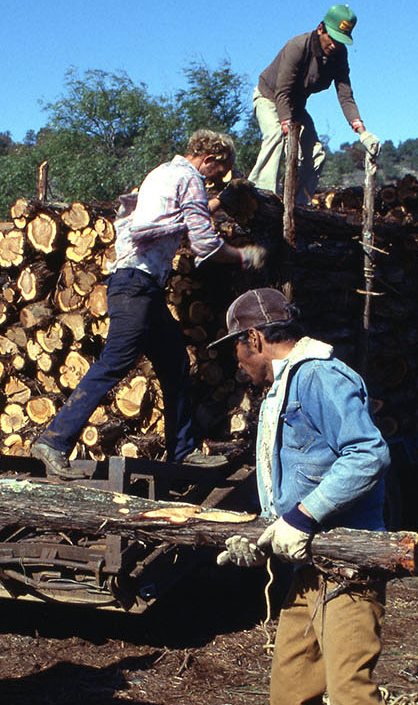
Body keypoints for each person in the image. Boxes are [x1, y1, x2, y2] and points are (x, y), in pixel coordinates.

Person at [212, 288, 418, 705]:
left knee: (347, 688)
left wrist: (304, 516)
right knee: (291, 680)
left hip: (345, 562)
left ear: (256, 338)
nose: (237, 358)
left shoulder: (320, 378)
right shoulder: (283, 387)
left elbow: (367, 453)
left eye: (238, 345)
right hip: (303, 563)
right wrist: (267, 531)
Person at [31, 129, 265, 478]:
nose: (220, 177)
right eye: (221, 170)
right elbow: (204, 243)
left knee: (174, 364)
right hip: (136, 285)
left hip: (142, 287)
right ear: (210, 159)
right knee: (113, 363)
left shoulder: (161, 173)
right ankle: (53, 441)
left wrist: (211, 206)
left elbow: (171, 222)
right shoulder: (190, 180)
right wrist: (243, 256)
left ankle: (182, 451)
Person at [248, 4, 380, 204]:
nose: (335, 45)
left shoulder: (339, 55)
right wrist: (287, 128)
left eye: (341, 41)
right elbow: (283, 92)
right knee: (275, 136)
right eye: (333, 38)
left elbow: (345, 95)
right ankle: (260, 198)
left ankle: (296, 204)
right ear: (321, 29)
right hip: (271, 98)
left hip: (296, 105)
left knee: (317, 155)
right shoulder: (298, 46)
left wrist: (361, 130)